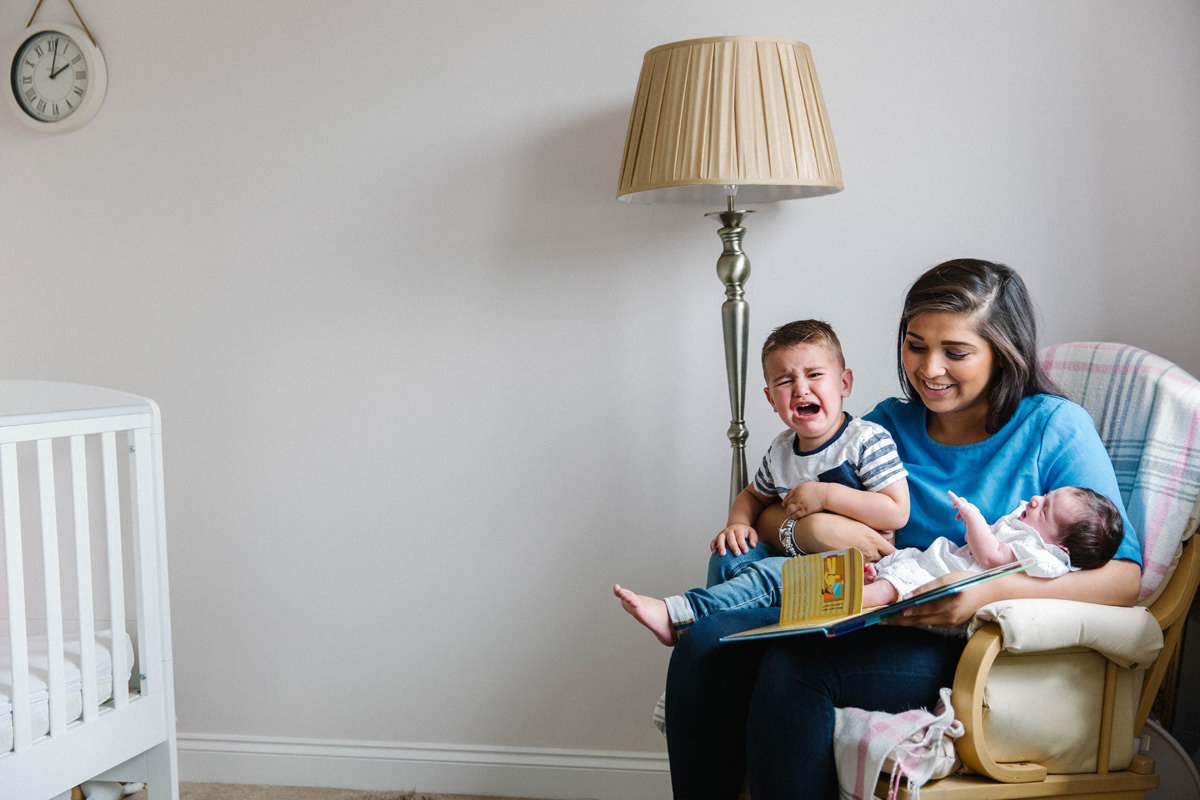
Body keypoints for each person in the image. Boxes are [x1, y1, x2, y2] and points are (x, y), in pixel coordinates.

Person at [662, 259, 1142, 800]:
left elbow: (1124, 580)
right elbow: (779, 510)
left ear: (1002, 353)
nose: (929, 368)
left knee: (794, 667)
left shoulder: (1054, 426)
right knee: (704, 641)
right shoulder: (886, 424)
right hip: (862, 606)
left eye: (955, 352)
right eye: (916, 346)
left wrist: (987, 591)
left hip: (956, 640)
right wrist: (816, 531)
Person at [613, 320, 909, 645]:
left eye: (814, 375)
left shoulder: (865, 440)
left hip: (857, 576)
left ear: (844, 383)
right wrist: (736, 525)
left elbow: (896, 512)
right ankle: (715, 643)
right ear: (770, 398)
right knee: (730, 556)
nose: (801, 388)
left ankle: (685, 616)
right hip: (792, 559)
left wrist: (826, 495)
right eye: (785, 381)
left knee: (769, 575)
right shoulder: (781, 450)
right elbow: (753, 496)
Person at [862, 486, 1124, 607]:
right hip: (946, 562)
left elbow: (990, 555)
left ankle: (859, 600)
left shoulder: (1042, 556)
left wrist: (973, 517)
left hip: (948, 579)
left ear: (1060, 548)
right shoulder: (1031, 535)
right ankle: (876, 577)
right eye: (1045, 496)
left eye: (1045, 510)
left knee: (898, 583)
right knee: (904, 562)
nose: (1035, 500)